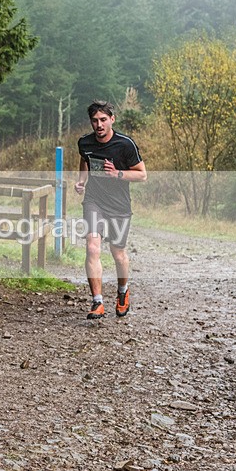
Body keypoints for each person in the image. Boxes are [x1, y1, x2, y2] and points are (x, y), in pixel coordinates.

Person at [75, 100, 146, 320]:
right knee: (92, 247)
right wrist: (81, 181)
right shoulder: (84, 142)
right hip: (94, 201)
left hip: (119, 205)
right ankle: (97, 302)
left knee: (118, 254)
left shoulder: (125, 144)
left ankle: (123, 292)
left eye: (103, 120)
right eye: (95, 120)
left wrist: (117, 174)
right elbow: (84, 161)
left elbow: (142, 175)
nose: (99, 125)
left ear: (112, 119)